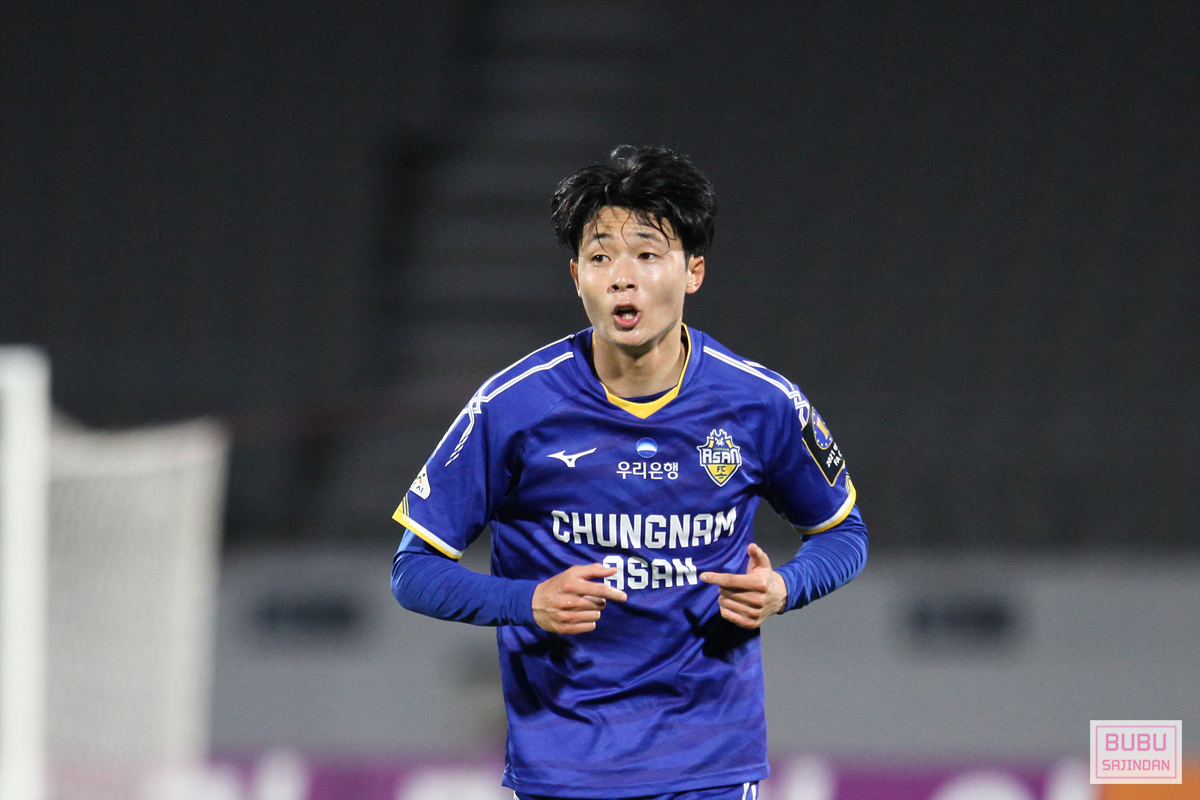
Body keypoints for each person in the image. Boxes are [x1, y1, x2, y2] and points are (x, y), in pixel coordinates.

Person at [391, 146, 867, 800]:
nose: (622, 277)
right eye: (600, 257)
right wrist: (525, 602)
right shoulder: (512, 406)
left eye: (647, 254)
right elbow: (412, 571)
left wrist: (785, 587)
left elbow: (844, 533)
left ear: (693, 271)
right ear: (575, 277)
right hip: (565, 766)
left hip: (708, 764)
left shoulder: (761, 404)